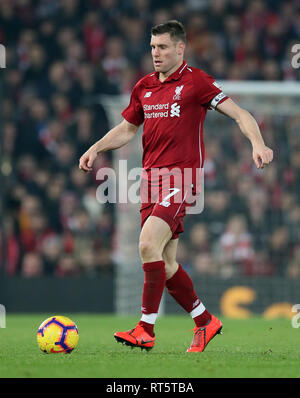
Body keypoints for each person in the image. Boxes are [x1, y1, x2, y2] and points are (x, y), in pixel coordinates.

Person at [79, 20, 273, 352]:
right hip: (150, 182)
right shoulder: (144, 87)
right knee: (164, 262)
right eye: (153, 47)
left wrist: (258, 143)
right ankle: (205, 322)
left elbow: (241, 114)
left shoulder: (196, 82)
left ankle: (145, 329)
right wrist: (96, 147)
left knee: (145, 245)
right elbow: (127, 130)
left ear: (180, 48)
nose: (156, 53)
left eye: (163, 47)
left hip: (181, 179)